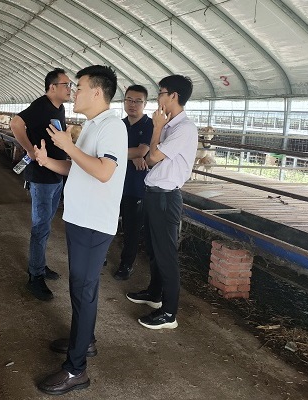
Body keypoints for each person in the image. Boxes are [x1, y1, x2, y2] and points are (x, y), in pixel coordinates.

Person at [33, 65, 127, 395]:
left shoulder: (112, 127)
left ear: (97, 92)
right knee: (81, 289)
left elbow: (103, 172)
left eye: (80, 87)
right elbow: (79, 167)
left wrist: (68, 144)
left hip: (93, 223)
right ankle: (83, 340)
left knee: (83, 290)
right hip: (81, 219)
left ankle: (76, 370)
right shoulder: (93, 125)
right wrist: (47, 161)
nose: (74, 92)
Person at [125, 75, 198, 330]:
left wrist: (156, 129)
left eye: (161, 93)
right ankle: (154, 294)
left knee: (166, 255)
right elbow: (151, 157)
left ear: (173, 96)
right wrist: (159, 129)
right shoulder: (169, 125)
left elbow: (153, 157)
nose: (159, 98)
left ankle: (169, 313)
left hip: (166, 197)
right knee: (154, 249)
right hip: (154, 193)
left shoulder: (183, 128)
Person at [10, 68, 73, 301]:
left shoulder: (59, 108)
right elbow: (15, 123)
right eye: (66, 85)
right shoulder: (41, 105)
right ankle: (35, 276)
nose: (70, 89)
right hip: (42, 177)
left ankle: (40, 264)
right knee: (40, 226)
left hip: (56, 175)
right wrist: (29, 150)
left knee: (46, 224)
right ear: (52, 87)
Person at [113, 85, 153, 280]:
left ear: (145, 104)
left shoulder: (149, 125)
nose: (133, 104)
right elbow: (134, 151)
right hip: (114, 183)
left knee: (131, 229)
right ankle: (101, 256)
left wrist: (135, 153)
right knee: (109, 221)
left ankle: (126, 265)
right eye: (129, 100)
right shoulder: (119, 125)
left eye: (138, 101)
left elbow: (142, 151)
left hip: (136, 186)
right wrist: (133, 154)